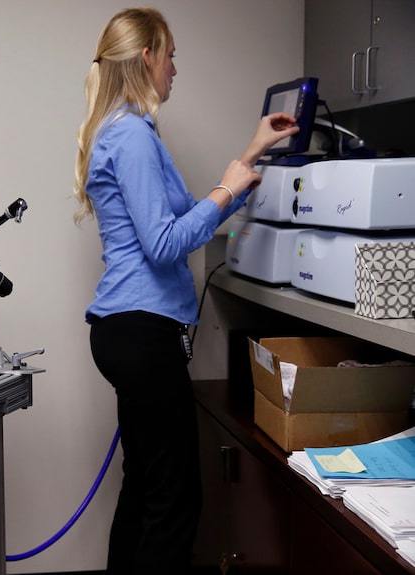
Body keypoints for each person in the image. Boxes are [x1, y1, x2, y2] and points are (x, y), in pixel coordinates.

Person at [72, 8, 299, 574]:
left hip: (129, 330)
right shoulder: (131, 136)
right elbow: (166, 243)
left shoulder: (126, 132)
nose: (176, 68)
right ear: (147, 57)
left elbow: (173, 224)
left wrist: (247, 159)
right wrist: (227, 187)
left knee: (147, 488)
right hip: (140, 332)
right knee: (174, 500)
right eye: (170, 55)